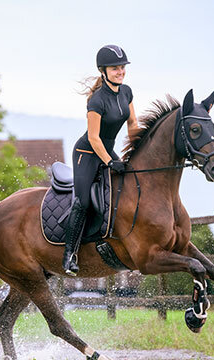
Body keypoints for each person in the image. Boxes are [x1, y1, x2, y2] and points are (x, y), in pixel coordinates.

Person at [62, 44, 138, 276]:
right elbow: (94, 138)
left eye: (122, 68)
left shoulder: (126, 92)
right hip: (87, 154)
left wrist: (135, 150)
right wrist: (109, 161)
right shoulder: (96, 100)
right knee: (83, 202)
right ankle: (69, 255)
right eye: (115, 68)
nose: (120, 72)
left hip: (107, 152)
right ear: (103, 71)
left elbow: (133, 124)